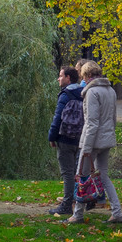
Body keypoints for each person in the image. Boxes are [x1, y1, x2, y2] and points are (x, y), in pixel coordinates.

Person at [68, 60, 122, 224]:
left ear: (87, 75)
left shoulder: (91, 92)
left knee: (82, 177)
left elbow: (91, 123)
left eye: (83, 76)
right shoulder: (110, 91)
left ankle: (77, 214)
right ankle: (117, 212)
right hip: (106, 139)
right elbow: (113, 119)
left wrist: (86, 148)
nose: (82, 79)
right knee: (104, 176)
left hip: (93, 141)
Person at [48, 66, 83, 215]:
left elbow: (58, 118)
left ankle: (67, 205)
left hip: (65, 138)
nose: (58, 78)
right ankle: (78, 201)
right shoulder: (82, 93)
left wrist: (52, 137)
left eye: (61, 76)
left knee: (67, 173)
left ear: (68, 78)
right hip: (79, 138)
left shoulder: (65, 95)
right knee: (75, 171)